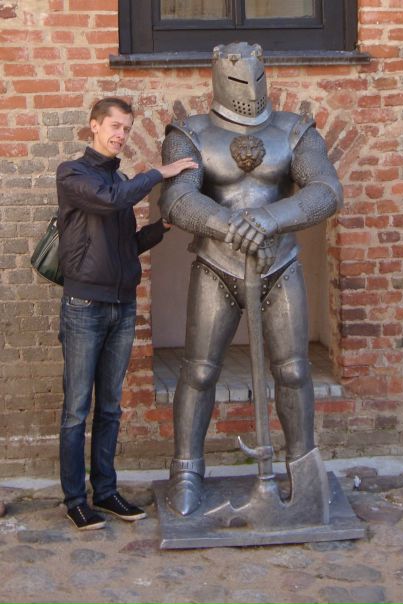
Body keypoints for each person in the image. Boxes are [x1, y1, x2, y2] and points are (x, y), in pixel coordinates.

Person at [159, 42, 343, 516]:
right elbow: (177, 199)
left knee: (294, 370)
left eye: (256, 75)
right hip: (217, 264)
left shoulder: (294, 130)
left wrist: (269, 218)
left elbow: (326, 190)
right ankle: (186, 470)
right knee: (200, 370)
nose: (250, 87)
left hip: (279, 262)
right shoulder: (191, 133)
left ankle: (302, 467)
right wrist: (229, 225)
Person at [56, 97, 197, 530]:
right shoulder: (73, 174)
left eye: (126, 129)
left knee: (111, 408)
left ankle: (106, 491)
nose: (121, 135)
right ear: (94, 126)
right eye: (115, 126)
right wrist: (159, 173)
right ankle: (75, 499)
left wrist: (161, 228)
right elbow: (111, 200)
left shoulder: (117, 180)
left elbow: (126, 245)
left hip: (121, 306)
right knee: (77, 409)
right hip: (84, 306)